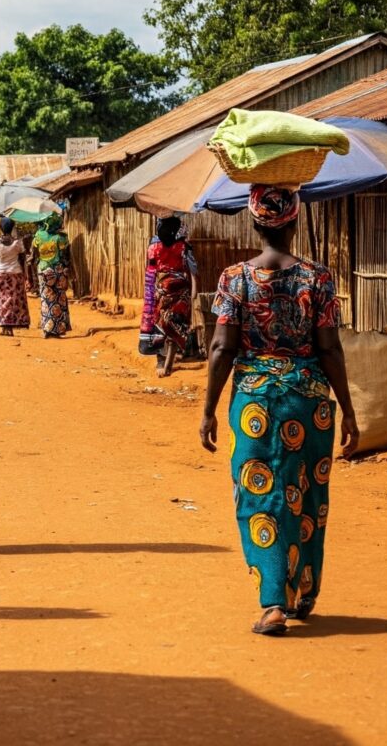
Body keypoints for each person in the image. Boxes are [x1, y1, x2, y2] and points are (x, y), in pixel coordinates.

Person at [200, 185, 359, 637]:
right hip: (309, 403)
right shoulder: (318, 278)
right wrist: (348, 410)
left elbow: (220, 348)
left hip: (255, 403)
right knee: (306, 495)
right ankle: (302, 592)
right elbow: (330, 349)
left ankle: (272, 603)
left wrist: (209, 409)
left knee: (260, 497)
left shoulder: (235, 278)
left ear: (253, 224)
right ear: (294, 223)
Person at [138, 216, 199, 378]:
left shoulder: (154, 246)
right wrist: (194, 291)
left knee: (161, 325)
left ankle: (161, 362)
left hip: (162, 289)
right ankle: (169, 364)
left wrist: (150, 294)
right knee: (176, 325)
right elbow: (193, 270)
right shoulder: (184, 246)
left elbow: (150, 271)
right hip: (181, 289)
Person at [31, 214, 73, 337]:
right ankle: (58, 329)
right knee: (59, 299)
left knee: (46, 298)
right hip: (58, 270)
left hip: (43, 270)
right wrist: (66, 269)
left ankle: (47, 328)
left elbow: (34, 254)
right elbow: (66, 256)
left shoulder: (38, 235)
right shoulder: (61, 238)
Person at [0, 217, 30, 336]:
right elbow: (23, 259)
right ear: (12, 227)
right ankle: (13, 323)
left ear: (0, 228)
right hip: (15, 274)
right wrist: (26, 275)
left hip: (1, 274)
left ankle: (5, 326)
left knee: (3, 300)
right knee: (14, 300)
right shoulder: (18, 243)